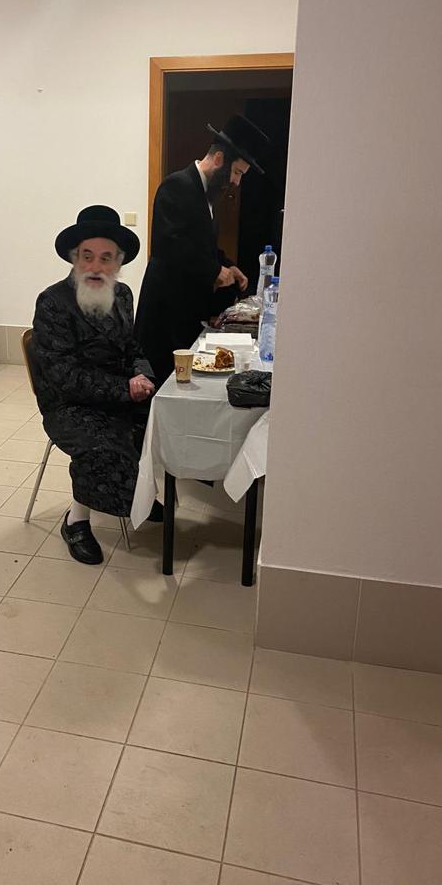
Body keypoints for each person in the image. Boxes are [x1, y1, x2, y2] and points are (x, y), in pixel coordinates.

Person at [31, 206, 157, 565]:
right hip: (68, 403)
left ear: (118, 262)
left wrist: (143, 375)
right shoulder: (53, 302)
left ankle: (141, 496)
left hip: (119, 392)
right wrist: (124, 389)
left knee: (166, 419)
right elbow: (63, 376)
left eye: (106, 258)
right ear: (75, 258)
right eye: (87, 256)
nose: (96, 267)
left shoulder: (123, 295)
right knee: (102, 443)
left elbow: (134, 348)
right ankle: (76, 521)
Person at [135, 115, 269, 383]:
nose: (236, 182)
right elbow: (171, 245)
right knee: (164, 385)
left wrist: (228, 266)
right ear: (219, 159)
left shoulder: (206, 194)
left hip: (185, 311)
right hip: (165, 314)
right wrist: (214, 271)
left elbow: (203, 246)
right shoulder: (177, 185)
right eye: (237, 172)